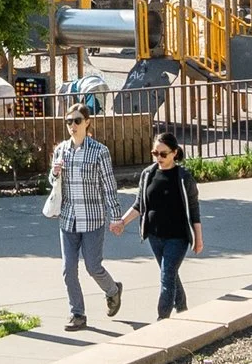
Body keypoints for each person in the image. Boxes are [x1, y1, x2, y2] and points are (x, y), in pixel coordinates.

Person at [44, 106, 122, 329]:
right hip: (68, 219)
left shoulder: (99, 151)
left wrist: (115, 217)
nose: (72, 125)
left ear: (87, 122)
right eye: (69, 121)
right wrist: (55, 172)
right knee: (68, 269)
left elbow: (109, 186)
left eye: (77, 120)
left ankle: (113, 290)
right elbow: (53, 181)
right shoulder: (61, 150)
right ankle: (77, 313)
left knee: (92, 266)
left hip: (92, 219)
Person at [111, 129, 202, 319]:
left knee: (166, 276)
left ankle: (162, 318)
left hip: (177, 238)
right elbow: (140, 205)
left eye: (163, 154)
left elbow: (194, 210)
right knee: (169, 273)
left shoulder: (183, 178)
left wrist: (198, 239)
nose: (158, 158)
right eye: (155, 153)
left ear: (174, 153)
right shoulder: (148, 175)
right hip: (155, 236)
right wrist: (122, 222)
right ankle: (182, 307)